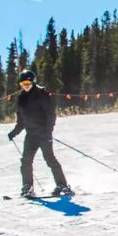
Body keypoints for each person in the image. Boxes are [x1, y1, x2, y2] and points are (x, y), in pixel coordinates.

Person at [7, 69, 72, 198]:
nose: (25, 86)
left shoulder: (42, 94)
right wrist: (14, 132)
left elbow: (51, 115)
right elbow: (21, 121)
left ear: (33, 82)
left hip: (43, 134)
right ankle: (27, 186)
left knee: (49, 159)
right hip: (31, 135)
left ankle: (63, 185)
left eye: (28, 83)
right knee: (26, 161)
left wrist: (48, 131)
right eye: (23, 83)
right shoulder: (21, 99)